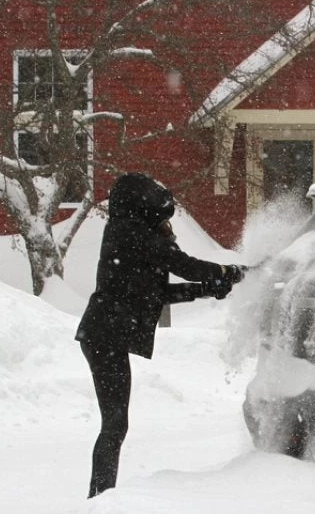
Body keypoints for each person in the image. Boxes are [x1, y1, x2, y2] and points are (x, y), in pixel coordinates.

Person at [75, 173, 244, 498]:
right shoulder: (129, 232)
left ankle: (99, 497)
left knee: (115, 424)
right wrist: (226, 273)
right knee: (115, 424)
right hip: (104, 335)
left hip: (104, 334)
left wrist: (206, 290)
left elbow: (158, 293)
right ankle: (100, 499)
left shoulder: (132, 234)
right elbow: (184, 264)